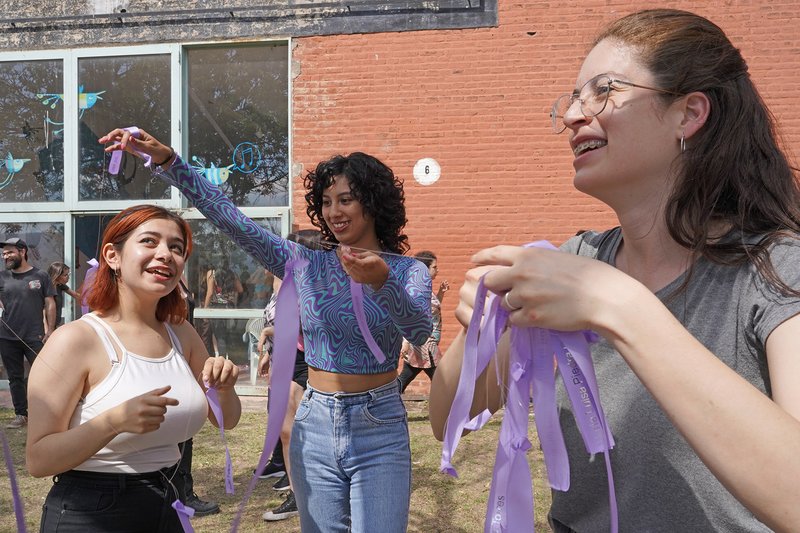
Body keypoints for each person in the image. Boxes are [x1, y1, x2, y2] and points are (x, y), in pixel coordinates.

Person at [430, 8, 800, 533]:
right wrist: (478, 335)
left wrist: (618, 306)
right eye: (574, 99)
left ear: (688, 113)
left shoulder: (780, 269)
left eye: (604, 91)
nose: (575, 115)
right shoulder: (572, 263)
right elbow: (450, 422)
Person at [98, 130, 432, 533]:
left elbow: (417, 328)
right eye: (326, 202)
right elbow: (231, 220)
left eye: (346, 199)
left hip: (379, 423)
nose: (333, 211)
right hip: (317, 419)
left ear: (373, 203)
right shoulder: (305, 262)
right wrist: (170, 162)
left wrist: (382, 282)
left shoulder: (405, 270)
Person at [26, 205, 241, 532]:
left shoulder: (180, 331)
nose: (166, 254)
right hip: (93, 510)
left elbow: (227, 418)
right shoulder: (74, 340)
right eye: (150, 241)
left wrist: (223, 388)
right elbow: (38, 460)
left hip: (169, 500)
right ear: (113, 255)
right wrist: (113, 422)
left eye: (176, 248)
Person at [257, 229, 322, 521]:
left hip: (312, 359)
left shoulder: (319, 283)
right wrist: (269, 351)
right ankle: (297, 494)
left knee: (305, 430)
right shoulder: (286, 280)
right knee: (285, 430)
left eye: (289, 249)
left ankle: (317, 490)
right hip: (287, 355)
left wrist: (273, 332)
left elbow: (311, 323)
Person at [174, 273, 221, 517]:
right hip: (169, 358)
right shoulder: (159, 280)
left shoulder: (180, 277)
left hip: (184, 356)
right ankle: (180, 495)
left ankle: (183, 493)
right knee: (177, 430)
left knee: (186, 429)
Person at [0, 237, 56, 429]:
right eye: (4, 253)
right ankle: (21, 415)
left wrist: (50, 330)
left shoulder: (40, 276)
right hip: (7, 337)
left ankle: (49, 413)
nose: (5, 256)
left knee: (44, 375)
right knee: (15, 377)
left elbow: (50, 303)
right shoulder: (2, 277)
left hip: (35, 336)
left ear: (22, 252)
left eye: (9, 252)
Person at [397, 251, 449, 393]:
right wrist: (406, 342)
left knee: (406, 376)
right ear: (424, 269)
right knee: (441, 379)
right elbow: (409, 318)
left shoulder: (425, 288)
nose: (437, 271)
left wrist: (440, 293)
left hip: (424, 343)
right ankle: (449, 409)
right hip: (425, 344)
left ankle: (388, 400)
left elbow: (431, 310)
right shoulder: (418, 290)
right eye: (434, 267)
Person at [47, 261, 80, 328]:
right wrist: (48, 331)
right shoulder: (46, 289)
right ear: (57, 276)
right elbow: (42, 313)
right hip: (45, 328)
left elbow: (76, 295)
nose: (68, 277)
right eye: (65, 275)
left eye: (68, 274)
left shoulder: (60, 285)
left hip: (54, 326)